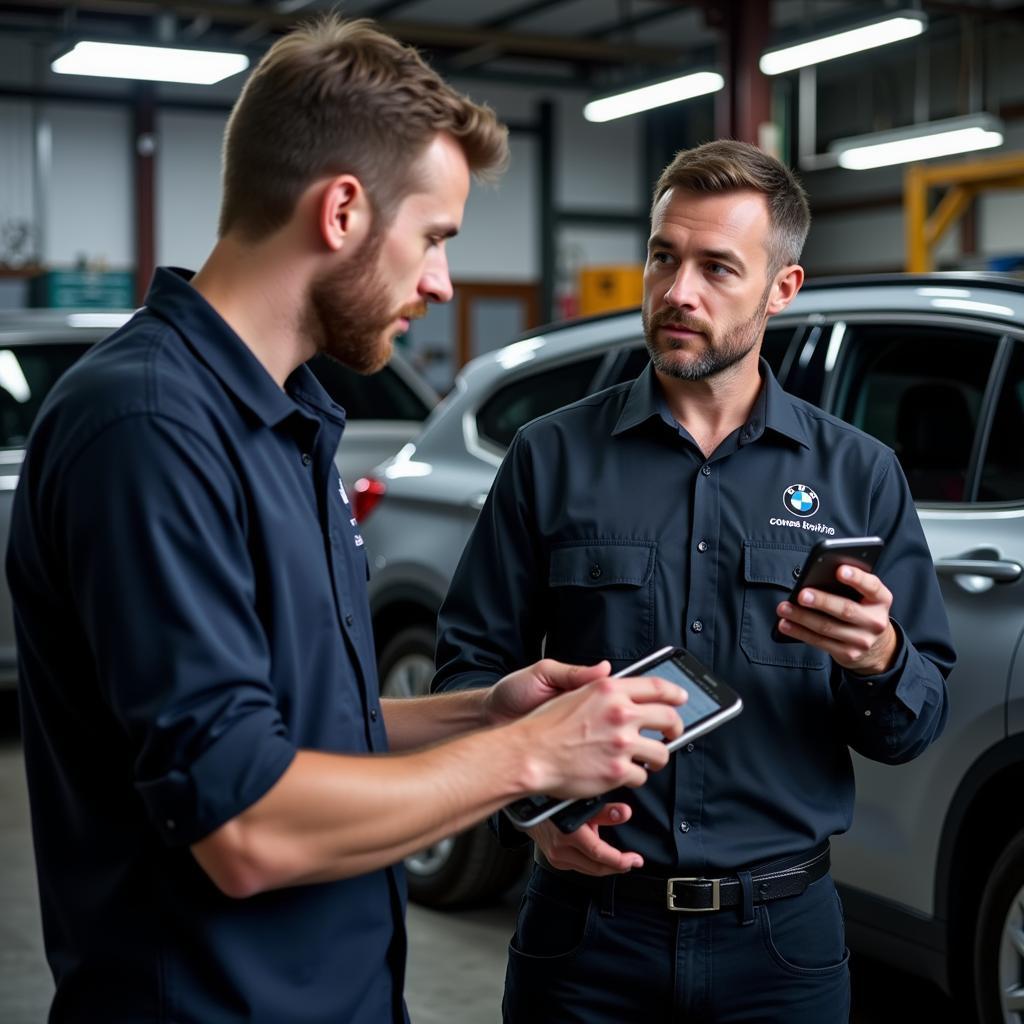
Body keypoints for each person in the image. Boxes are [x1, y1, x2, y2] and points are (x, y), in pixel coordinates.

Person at [5, 18, 688, 1024]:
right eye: (434, 239)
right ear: (341, 211)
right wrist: (532, 758)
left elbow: (293, 729)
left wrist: (482, 714)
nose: (441, 281)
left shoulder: (280, 421)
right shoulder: (147, 427)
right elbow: (247, 825)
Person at [432, 139, 955, 1023]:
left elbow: (916, 723)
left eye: (718, 268)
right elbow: (468, 673)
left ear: (781, 290)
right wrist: (528, 811)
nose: (679, 291)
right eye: (664, 256)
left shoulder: (858, 476)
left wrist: (882, 659)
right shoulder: (548, 458)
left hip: (782, 950)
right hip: (589, 938)